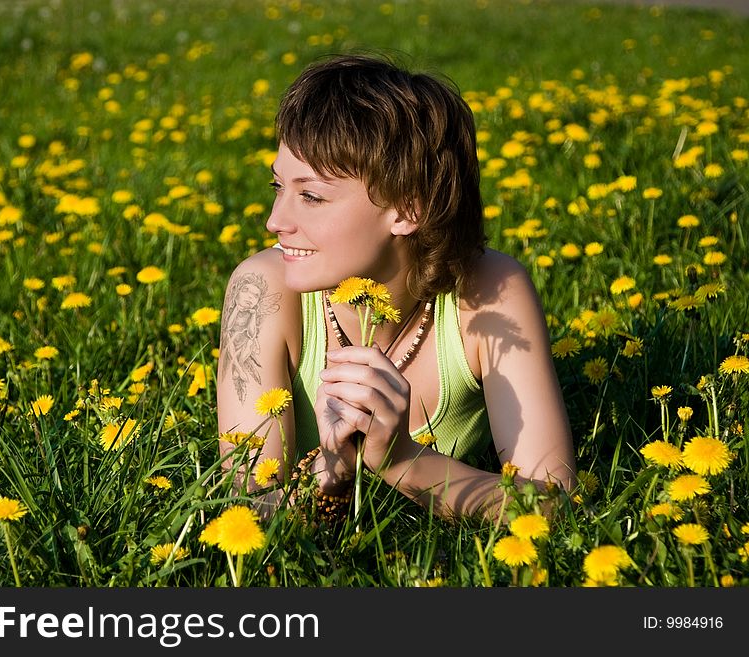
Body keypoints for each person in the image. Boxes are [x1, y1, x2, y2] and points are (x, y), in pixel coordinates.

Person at [216, 53, 575, 522]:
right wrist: (333, 474)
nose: (274, 221)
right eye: (277, 186)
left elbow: (554, 504)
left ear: (407, 208)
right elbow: (245, 507)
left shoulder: (490, 295)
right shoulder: (262, 291)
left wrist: (402, 460)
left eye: (311, 195)